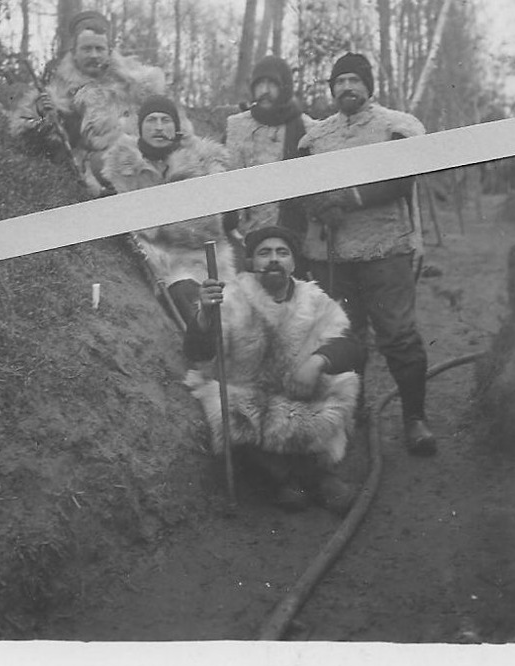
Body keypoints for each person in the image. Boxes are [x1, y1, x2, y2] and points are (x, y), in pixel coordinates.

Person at [297, 52, 436, 456]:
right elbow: (297, 184)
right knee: (343, 334)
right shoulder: (316, 137)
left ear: (370, 86)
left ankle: (415, 418)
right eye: (339, 81)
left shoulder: (396, 126)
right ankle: (350, 410)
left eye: (355, 80)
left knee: (398, 335)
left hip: (384, 250)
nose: (347, 88)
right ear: (331, 90)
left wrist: (350, 196)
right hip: (332, 254)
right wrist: (318, 203)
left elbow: (399, 180)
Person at [184, 225, 364, 511]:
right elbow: (197, 353)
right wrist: (205, 314)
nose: (273, 259)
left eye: (282, 252)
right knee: (227, 410)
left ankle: (304, 477)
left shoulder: (314, 299)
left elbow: (350, 346)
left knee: (343, 383)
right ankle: (298, 479)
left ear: (293, 262)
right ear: (251, 262)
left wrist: (317, 362)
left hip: (300, 393)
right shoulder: (231, 297)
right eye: (264, 253)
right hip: (249, 395)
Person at [97, 95, 236, 323]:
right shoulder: (122, 168)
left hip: (204, 256)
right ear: (140, 128)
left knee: (231, 307)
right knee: (188, 296)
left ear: (177, 127)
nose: (159, 127)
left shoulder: (201, 165)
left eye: (165, 120)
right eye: (152, 120)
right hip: (162, 262)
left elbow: (229, 219)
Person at [10, 10, 165, 196]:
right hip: (98, 165)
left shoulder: (134, 83)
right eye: (86, 49)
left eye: (99, 49)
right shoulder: (59, 89)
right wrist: (44, 114)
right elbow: (26, 131)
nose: (94, 55)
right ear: (74, 53)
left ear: (109, 52)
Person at [225, 55, 311, 236]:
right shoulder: (235, 127)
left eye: (272, 84)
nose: (264, 91)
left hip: (292, 236)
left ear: (285, 87)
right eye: (259, 84)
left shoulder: (308, 129)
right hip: (245, 234)